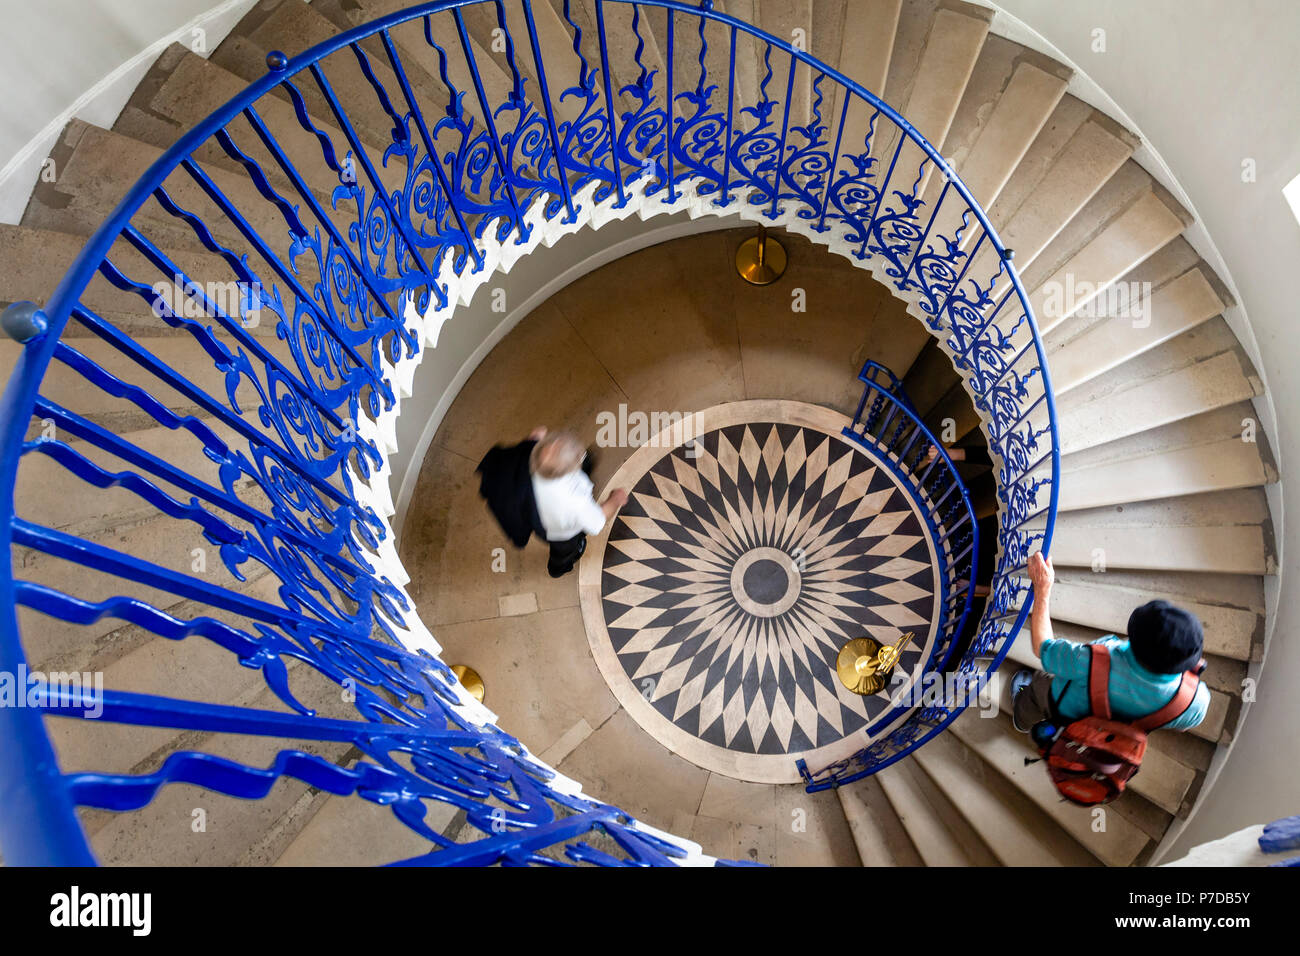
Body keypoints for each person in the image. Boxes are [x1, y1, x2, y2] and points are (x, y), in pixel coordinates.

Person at [1010, 551, 1209, 733]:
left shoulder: (1094, 661)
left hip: (1064, 708)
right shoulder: (1193, 701)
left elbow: (1043, 648)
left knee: (1039, 687)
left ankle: (1022, 719)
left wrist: (1042, 589)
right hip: (1104, 735)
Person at [476, 426, 628, 578]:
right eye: (580, 458)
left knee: (560, 456)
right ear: (572, 470)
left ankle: (577, 462)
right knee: (564, 551)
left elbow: (532, 450)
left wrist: (533, 440)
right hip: (560, 534)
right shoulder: (575, 501)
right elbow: (598, 520)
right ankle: (558, 568)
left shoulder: (529, 458)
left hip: (535, 502)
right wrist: (615, 499)